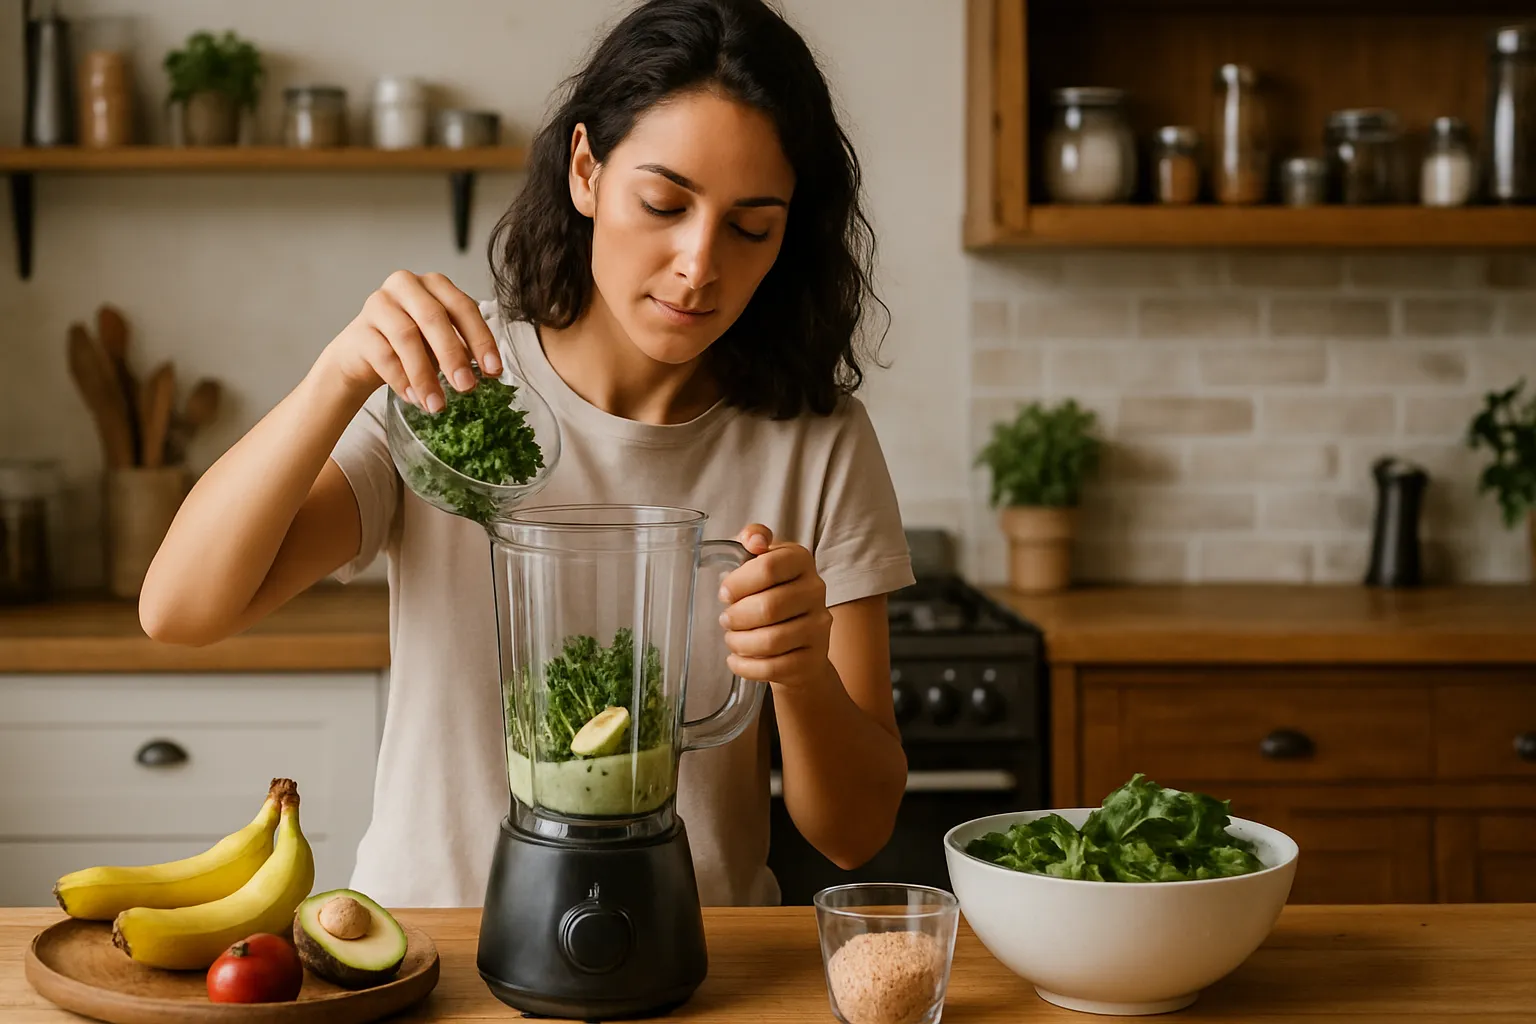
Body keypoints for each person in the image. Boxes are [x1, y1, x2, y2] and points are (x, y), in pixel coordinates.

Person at [139, 0, 911, 908]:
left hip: (703, 958)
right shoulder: (458, 390)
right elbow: (179, 611)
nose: (699, 263)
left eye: (751, 227)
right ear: (586, 171)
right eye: (663, 203)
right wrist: (336, 377)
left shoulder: (816, 440)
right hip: (437, 950)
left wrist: (803, 669)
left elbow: (855, 834)